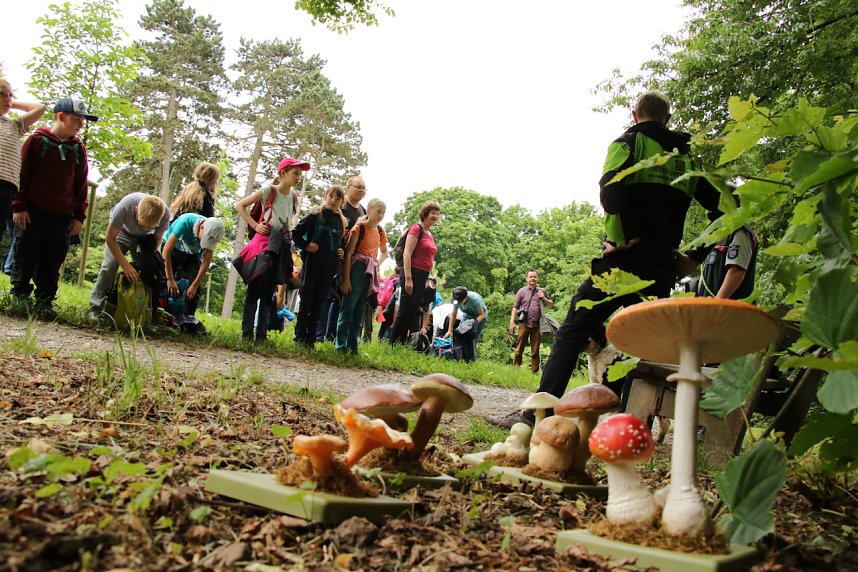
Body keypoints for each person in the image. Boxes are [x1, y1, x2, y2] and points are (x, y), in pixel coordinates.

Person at [487, 91, 722, 429]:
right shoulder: (686, 159)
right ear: (668, 119)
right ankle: (627, 426)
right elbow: (727, 209)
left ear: (634, 115)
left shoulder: (628, 143)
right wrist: (695, 258)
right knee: (644, 345)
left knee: (573, 330)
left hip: (621, 264)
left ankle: (536, 416)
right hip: (662, 268)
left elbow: (611, 196)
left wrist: (624, 238)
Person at [11, 95, 96, 315]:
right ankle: (19, 295)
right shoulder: (37, 140)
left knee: (53, 259)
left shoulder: (78, 148)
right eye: (77, 119)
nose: (81, 124)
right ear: (61, 116)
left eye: (83, 120)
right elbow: (22, 173)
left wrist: (79, 215)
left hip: (62, 215)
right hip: (33, 211)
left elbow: (81, 184)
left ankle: (45, 300)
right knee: (26, 253)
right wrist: (19, 206)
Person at [235, 157, 307, 342]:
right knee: (255, 288)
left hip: (281, 245)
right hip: (264, 244)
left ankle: (261, 335)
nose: (298, 177)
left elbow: (286, 222)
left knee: (269, 292)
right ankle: (246, 333)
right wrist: (255, 225)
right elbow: (240, 205)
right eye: (295, 173)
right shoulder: (269, 191)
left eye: (300, 174)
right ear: (283, 173)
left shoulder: (293, 197)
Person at [88, 193, 170, 320]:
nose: (144, 227)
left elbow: (157, 240)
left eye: (149, 226)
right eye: (142, 224)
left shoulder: (164, 214)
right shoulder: (124, 207)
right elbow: (110, 238)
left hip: (144, 238)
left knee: (150, 269)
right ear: (136, 210)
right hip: (121, 232)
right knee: (109, 266)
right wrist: (125, 265)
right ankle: (95, 309)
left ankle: (145, 313)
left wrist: (145, 260)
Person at [0, 79, 45, 275]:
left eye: (10, 95)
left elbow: (40, 108)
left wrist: (10, 103)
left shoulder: (14, 125)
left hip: (7, 187)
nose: (8, 99)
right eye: (2, 94)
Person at [292, 186, 346, 349]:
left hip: (328, 270)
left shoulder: (341, 222)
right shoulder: (314, 216)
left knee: (319, 304)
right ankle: (300, 337)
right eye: (331, 196)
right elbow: (295, 233)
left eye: (338, 198)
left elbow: (341, 243)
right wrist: (306, 245)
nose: (333, 200)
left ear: (342, 202)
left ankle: (311, 339)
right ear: (325, 196)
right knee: (306, 303)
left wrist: (341, 251)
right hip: (312, 267)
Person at [317, 175, 367, 342]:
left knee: (340, 297)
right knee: (329, 295)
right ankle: (321, 335)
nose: (361, 190)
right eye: (358, 187)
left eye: (364, 188)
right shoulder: (340, 206)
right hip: (332, 255)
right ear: (348, 187)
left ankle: (332, 336)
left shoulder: (363, 211)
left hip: (351, 259)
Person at [336, 198, 388, 353]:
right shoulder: (359, 228)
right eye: (378, 211)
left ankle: (353, 346)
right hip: (356, 268)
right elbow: (348, 253)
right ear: (369, 211)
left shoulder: (380, 231)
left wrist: (376, 263)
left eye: (383, 212)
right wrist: (346, 279)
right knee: (348, 307)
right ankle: (341, 345)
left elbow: (384, 252)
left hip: (369, 272)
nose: (380, 215)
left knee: (360, 310)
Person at [388, 200, 440, 345]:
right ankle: (393, 344)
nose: (435, 216)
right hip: (412, 272)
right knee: (405, 309)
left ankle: (403, 343)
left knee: (413, 310)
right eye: (433, 213)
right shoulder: (416, 229)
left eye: (437, 213)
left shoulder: (430, 233)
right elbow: (407, 253)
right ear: (425, 213)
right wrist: (409, 278)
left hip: (423, 275)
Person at [161, 213, 224, 320]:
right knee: (166, 281)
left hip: (192, 254)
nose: (202, 242)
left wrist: (194, 285)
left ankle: (187, 319)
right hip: (172, 250)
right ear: (201, 227)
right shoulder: (185, 222)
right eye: (203, 239)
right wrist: (170, 279)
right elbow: (166, 251)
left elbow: (206, 261)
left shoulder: (214, 232)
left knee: (191, 287)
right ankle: (161, 313)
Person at [509, 269, 554, 373]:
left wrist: (544, 298)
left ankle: (534, 372)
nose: (532, 278)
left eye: (534, 276)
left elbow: (551, 305)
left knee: (535, 351)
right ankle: (515, 370)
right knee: (519, 349)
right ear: (527, 278)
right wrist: (512, 322)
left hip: (537, 326)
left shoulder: (542, 291)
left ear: (537, 278)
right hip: (524, 324)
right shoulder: (522, 291)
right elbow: (515, 307)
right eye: (530, 277)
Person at [696, 224, 757, 300]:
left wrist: (717, 302)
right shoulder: (715, 232)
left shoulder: (739, 231)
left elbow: (737, 271)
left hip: (729, 306)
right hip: (708, 304)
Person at [445, 286, 487, 362]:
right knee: (460, 335)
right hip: (466, 317)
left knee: (472, 339)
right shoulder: (456, 300)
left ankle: (471, 361)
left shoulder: (475, 299)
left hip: (479, 318)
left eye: (460, 301)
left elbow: (481, 315)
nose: (459, 303)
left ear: (466, 297)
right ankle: (458, 358)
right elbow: (453, 315)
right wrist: (449, 330)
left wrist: (473, 324)